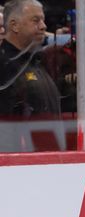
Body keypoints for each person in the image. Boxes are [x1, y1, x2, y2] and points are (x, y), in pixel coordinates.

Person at [0, 0, 62, 152]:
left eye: (43, 20)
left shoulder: (36, 61)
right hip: (20, 167)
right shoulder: (4, 65)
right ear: (14, 25)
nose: (43, 26)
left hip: (47, 163)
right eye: (36, 20)